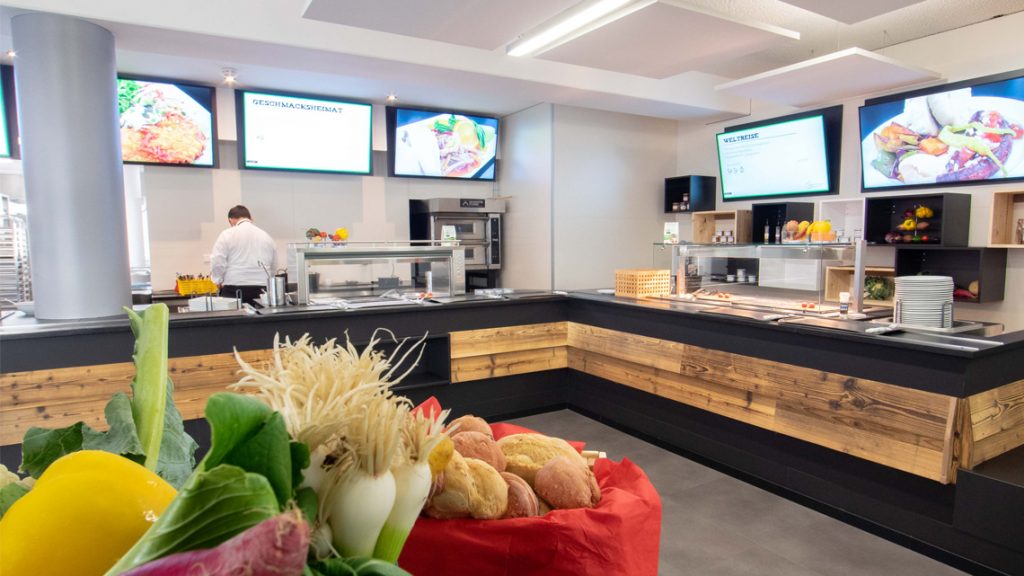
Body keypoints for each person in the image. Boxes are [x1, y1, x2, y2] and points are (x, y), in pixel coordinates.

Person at [210, 205, 277, 305]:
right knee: (260, 315)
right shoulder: (267, 237)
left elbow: (217, 261)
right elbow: (274, 266)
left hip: (234, 289)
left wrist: (217, 280)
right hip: (262, 290)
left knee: (233, 315)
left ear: (230, 220)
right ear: (251, 219)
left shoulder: (227, 234)